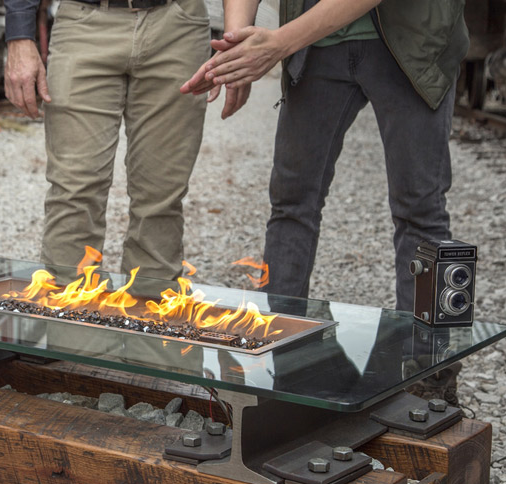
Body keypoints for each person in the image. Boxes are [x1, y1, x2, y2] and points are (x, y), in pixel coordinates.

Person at [181, 0, 468, 403]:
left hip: (412, 42)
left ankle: (431, 375)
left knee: (422, 211)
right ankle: (278, 358)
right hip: (318, 49)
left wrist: (277, 43)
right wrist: (237, 46)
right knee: (291, 204)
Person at [3, 0, 249, 282]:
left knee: (161, 196)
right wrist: (19, 33)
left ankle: (150, 312)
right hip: (84, 21)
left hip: (178, 24)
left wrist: (236, 40)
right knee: (73, 191)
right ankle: (67, 317)